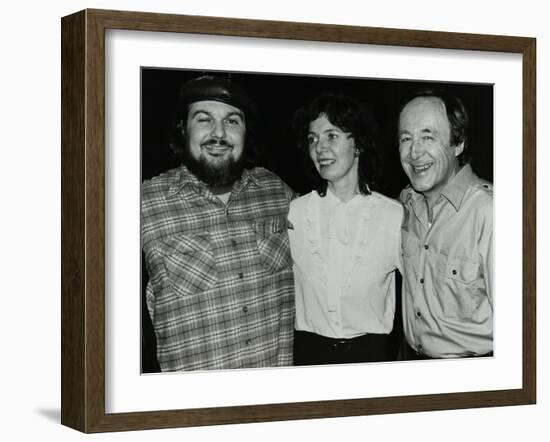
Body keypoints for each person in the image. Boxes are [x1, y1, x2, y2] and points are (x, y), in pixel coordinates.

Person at [141, 75, 295, 371]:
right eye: (204, 120)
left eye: (233, 121)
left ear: (246, 132)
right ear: (183, 128)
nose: (219, 133)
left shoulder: (276, 190)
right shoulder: (144, 201)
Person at [288, 94, 403, 365]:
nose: (319, 148)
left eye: (332, 136)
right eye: (312, 139)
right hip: (309, 356)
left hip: (372, 357)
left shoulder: (393, 215)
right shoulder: (294, 211)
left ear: (359, 144)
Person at [397, 89, 493, 360]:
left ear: (458, 143)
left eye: (428, 136)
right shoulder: (405, 204)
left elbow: (527, 330)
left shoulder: (490, 212)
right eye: (406, 138)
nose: (414, 152)